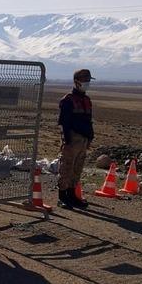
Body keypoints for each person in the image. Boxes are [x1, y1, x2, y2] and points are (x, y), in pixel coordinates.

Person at [57, 69, 95, 209]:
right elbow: (63, 123)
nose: (87, 84)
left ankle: (72, 196)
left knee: (77, 169)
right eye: (85, 81)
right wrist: (66, 141)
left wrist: (90, 137)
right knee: (66, 168)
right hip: (72, 139)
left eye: (88, 81)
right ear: (77, 82)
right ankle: (62, 197)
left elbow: (89, 120)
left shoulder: (86, 100)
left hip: (84, 140)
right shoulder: (68, 100)